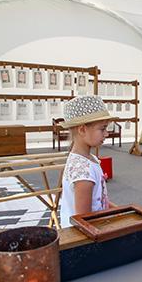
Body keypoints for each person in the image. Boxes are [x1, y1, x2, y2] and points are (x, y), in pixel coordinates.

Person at [60, 95, 115, 228]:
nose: (106, 134)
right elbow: (84, 221)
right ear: (82, 130)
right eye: (102, 129)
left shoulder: (90, 160)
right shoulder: (83, 171)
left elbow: (99, 200)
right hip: (82, 237)